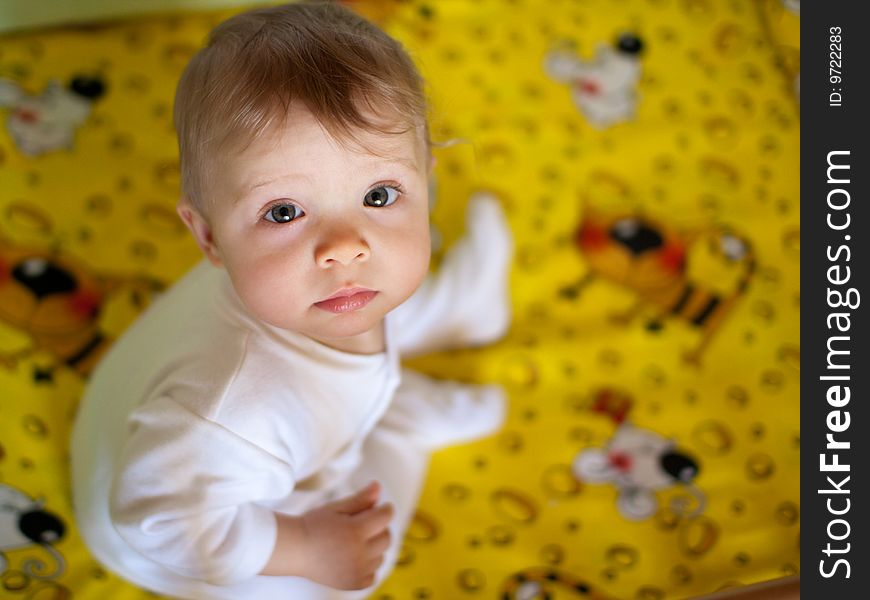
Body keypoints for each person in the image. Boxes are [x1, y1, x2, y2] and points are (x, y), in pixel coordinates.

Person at [70, 2, 513, 598]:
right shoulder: (237, 411)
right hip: (194, 533)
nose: (343, 246)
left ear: (425, 180)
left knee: (372, 282)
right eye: (284, 212)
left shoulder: (283, 277)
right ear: (208, 237)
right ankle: (402, 430)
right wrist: (306, 545)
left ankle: (462, 308)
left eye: (381, 194)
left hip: (177, 439)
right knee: (354, 576)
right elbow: (159, 519)